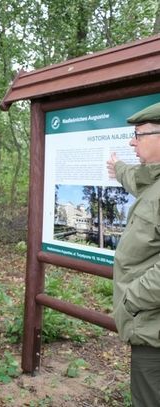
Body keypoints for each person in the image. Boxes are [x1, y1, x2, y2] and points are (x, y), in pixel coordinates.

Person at [107, 101, 160, 407]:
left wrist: (132, 297)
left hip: (154, 336)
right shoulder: (153, 180)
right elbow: (140, 181)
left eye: (139, 134)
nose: (132, 141)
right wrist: (119, 170)